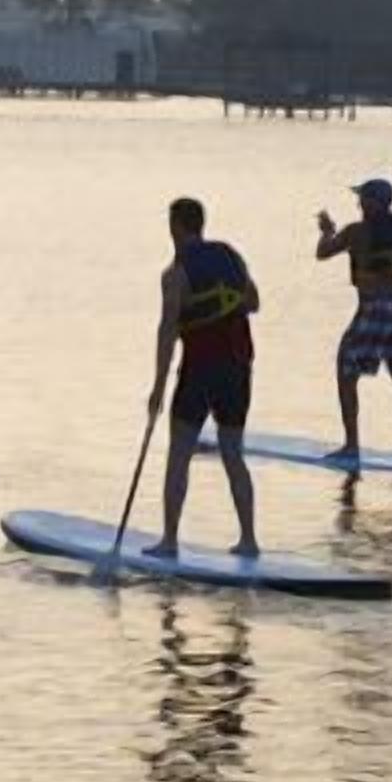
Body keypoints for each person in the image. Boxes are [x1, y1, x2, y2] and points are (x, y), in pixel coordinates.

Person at [147, 194, 261, 559]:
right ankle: (249, 541)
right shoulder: (231, 256)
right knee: (233, 454)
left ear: (175, 227)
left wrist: (158, 388)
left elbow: (167, 331)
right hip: (238, 368)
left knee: (179, 454)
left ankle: (169, 541)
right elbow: (254, 302)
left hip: (199, 371)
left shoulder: (174, 274)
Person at [314, 173, 392, 460]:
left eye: (362, 199)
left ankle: (351, 446)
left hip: (373, 308)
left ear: (372, 203)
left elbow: (323, 253)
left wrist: (327, 231)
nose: (358, 204)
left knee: (346, 370)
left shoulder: (357, 232)